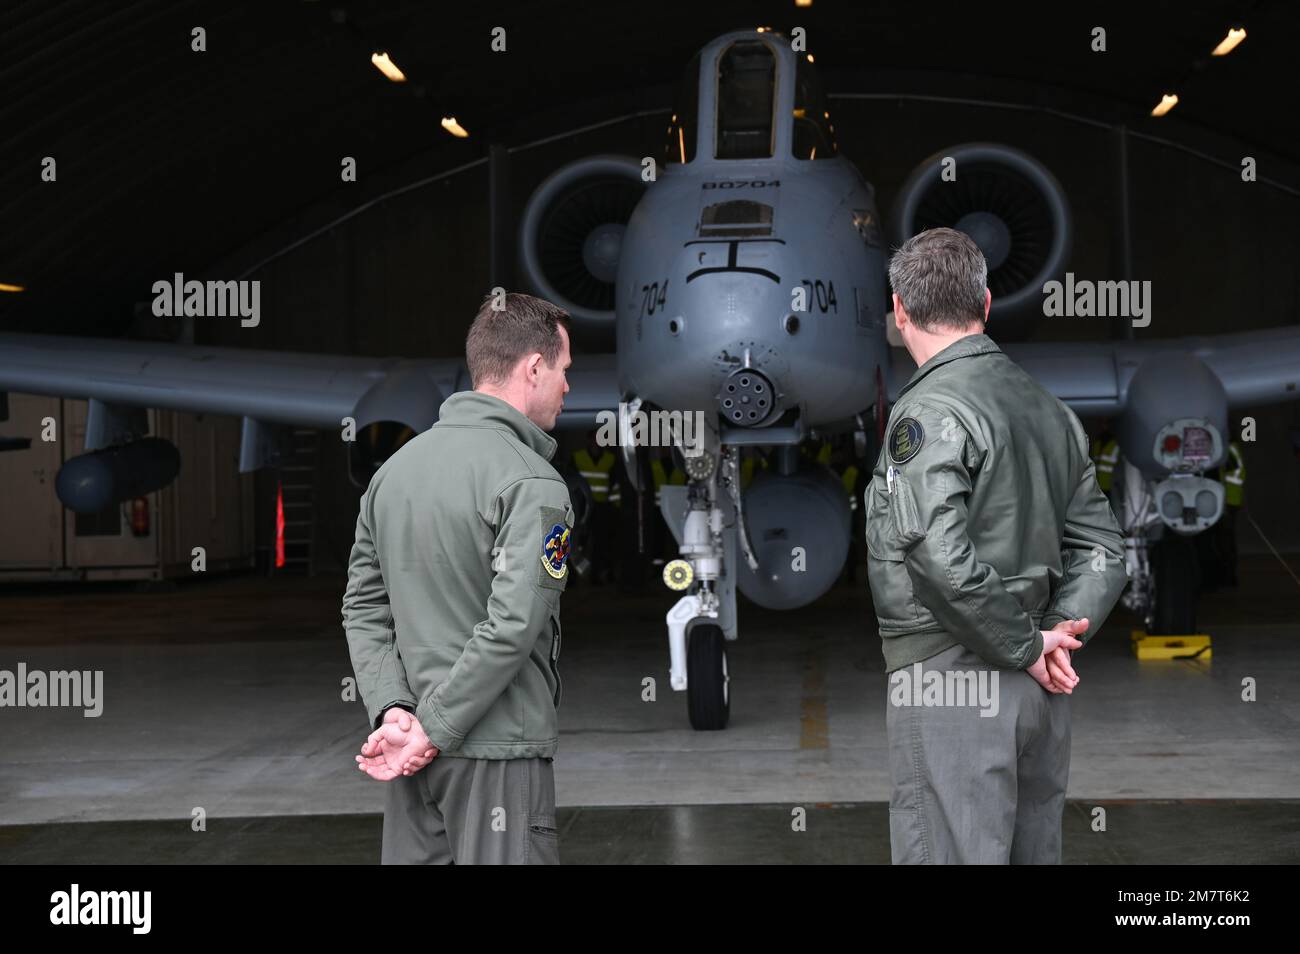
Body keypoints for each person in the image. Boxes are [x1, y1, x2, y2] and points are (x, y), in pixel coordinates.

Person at [866, 228, 1129, 864]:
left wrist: (1024, 646)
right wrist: (1056, 639)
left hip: (954, 682)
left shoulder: (926, 411)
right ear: (986, 302)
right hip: (1042, 691)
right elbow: (1103, 547)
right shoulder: (1049, 408)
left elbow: (934, 549)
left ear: (899, 312)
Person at [342, 291, 574, 865]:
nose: (568, 387)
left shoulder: (392, 475)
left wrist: (395, 710)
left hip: (412, 759)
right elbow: (513, 625)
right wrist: (435, 728)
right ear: (535, 367)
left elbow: (363, 609)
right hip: (495, 753)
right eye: (565, 371)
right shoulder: (533, 483)